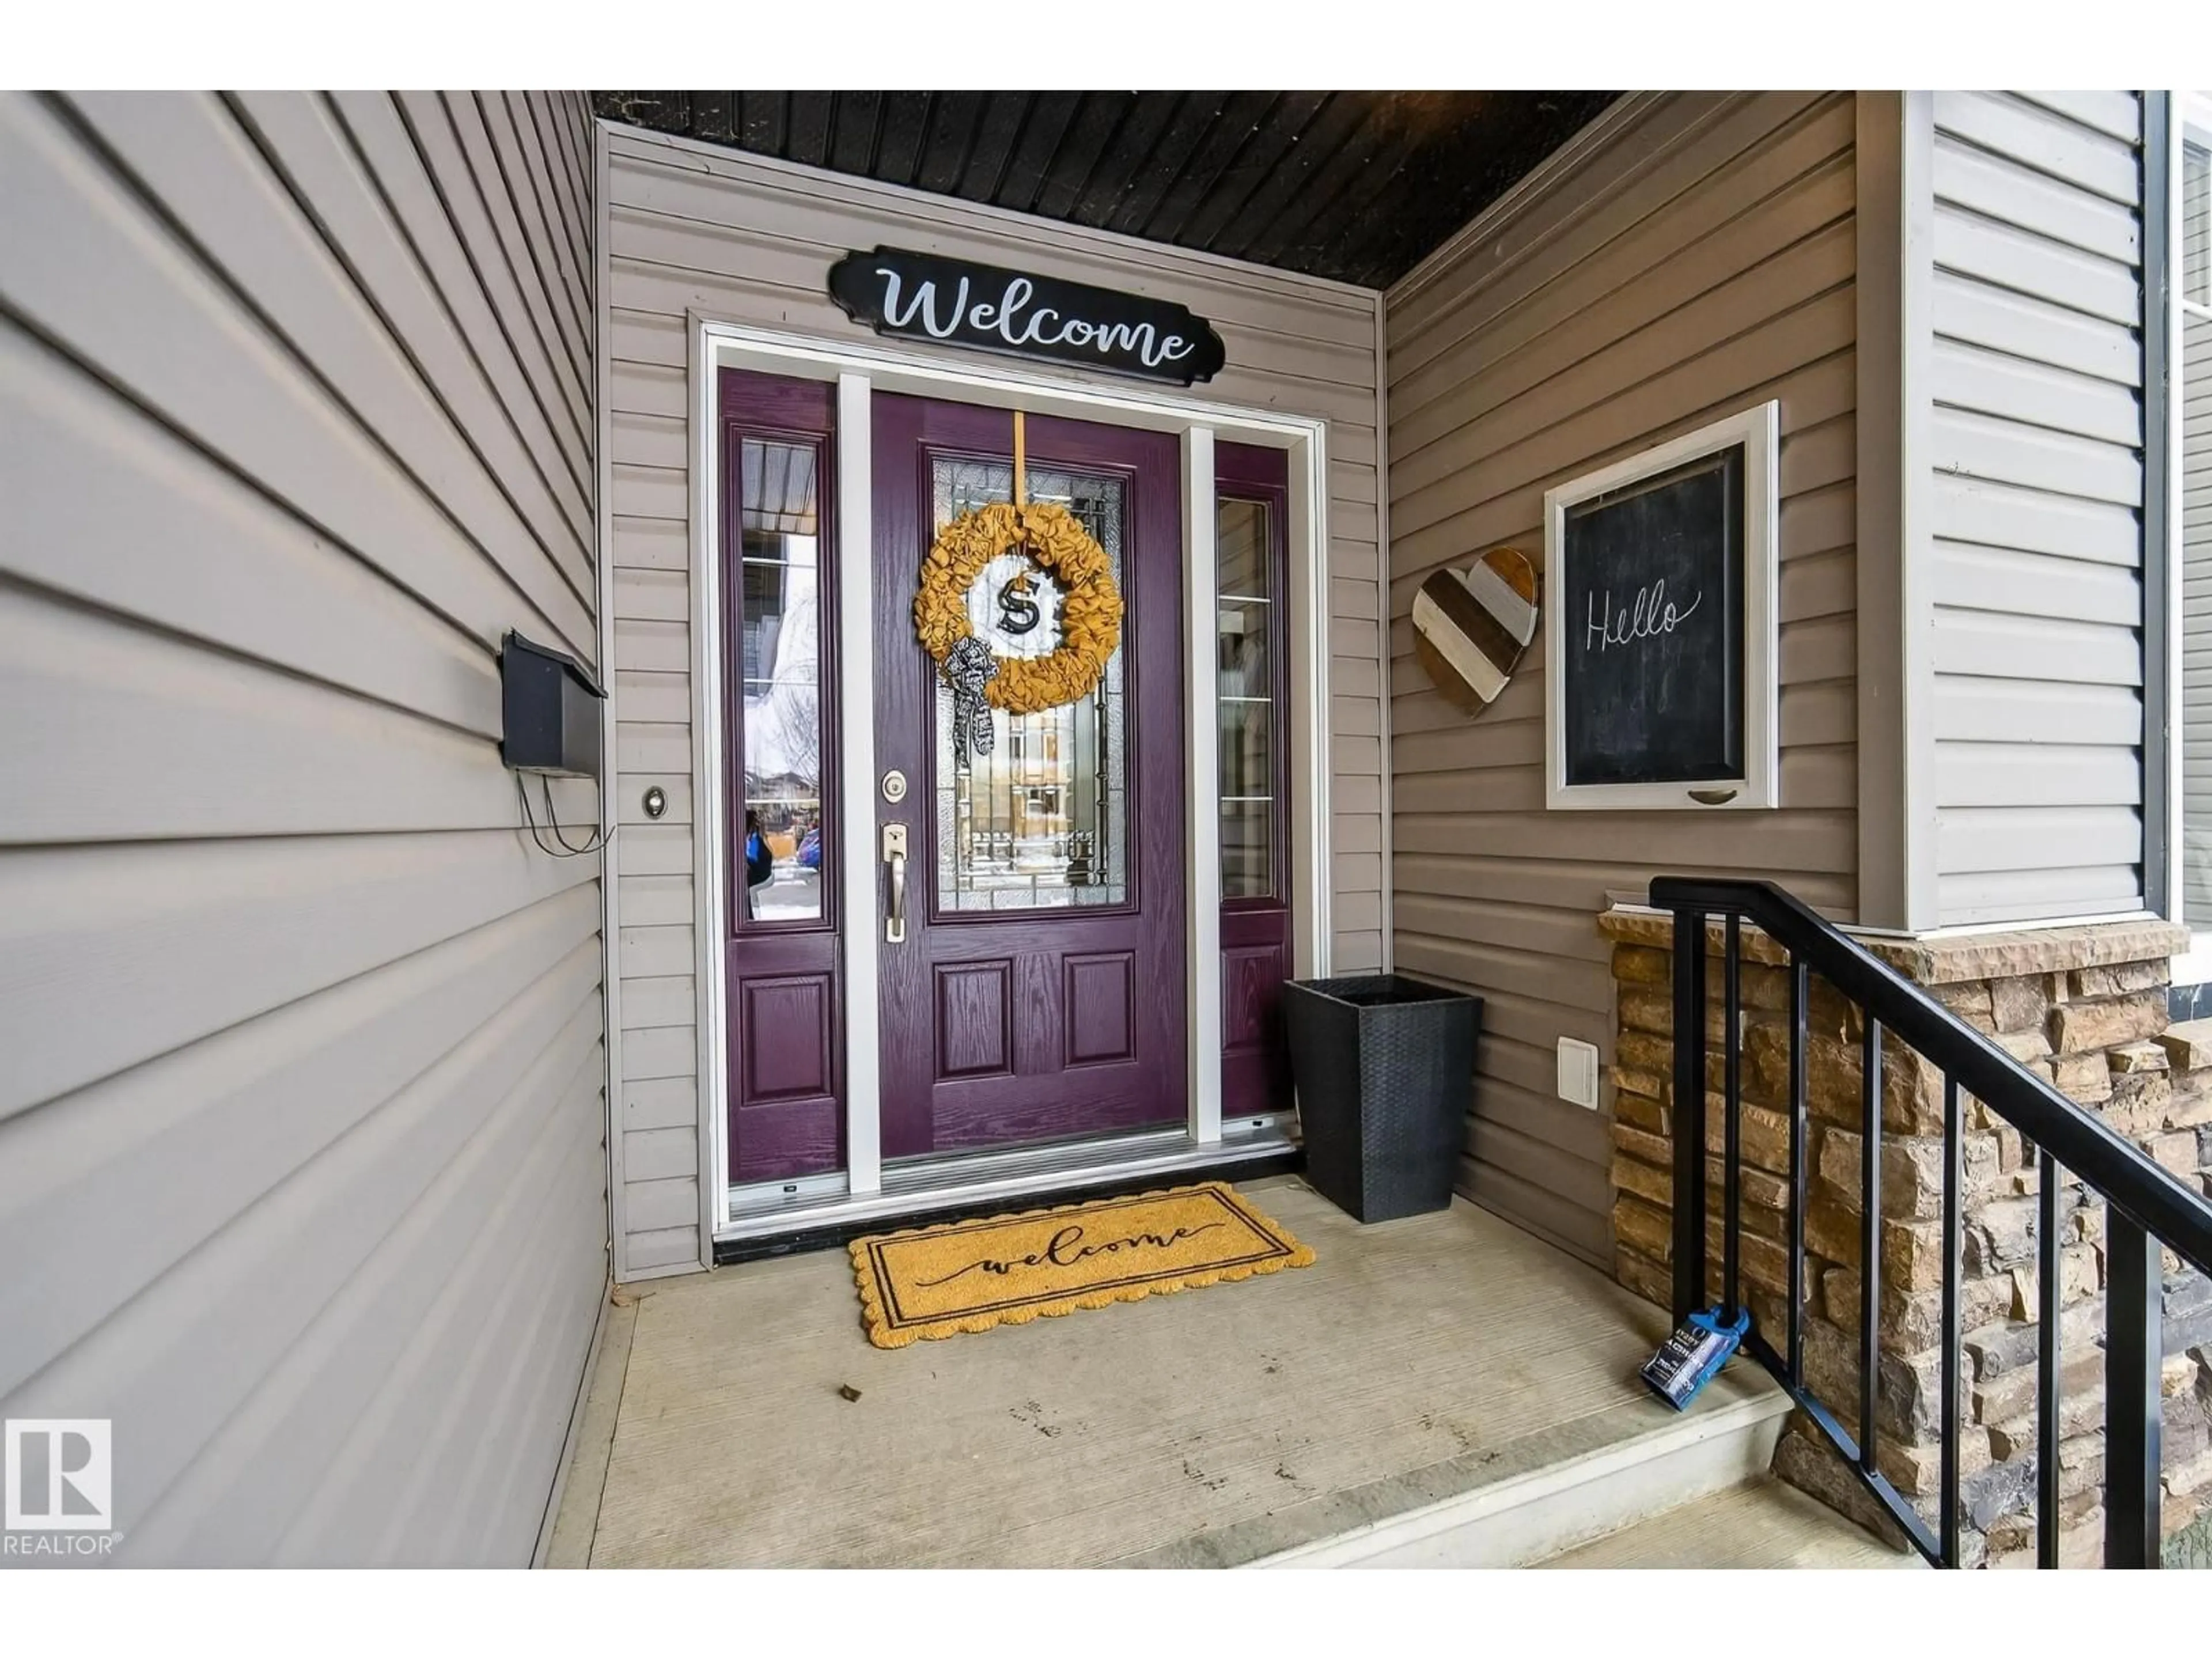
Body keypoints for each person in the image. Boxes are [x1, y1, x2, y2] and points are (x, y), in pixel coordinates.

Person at [742, 809, 774, 919]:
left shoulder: (754, 838)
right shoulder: (754, 837)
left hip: (760, 871)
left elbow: (752, 857)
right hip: (760, 870)